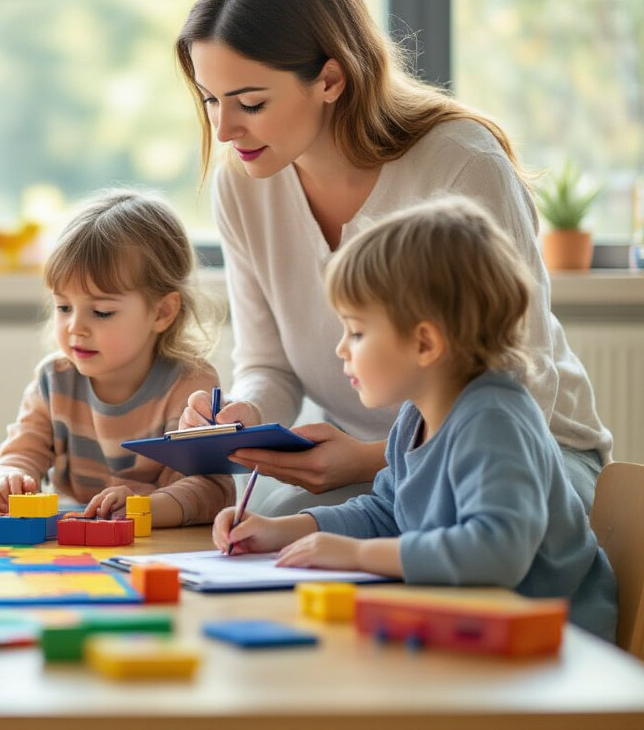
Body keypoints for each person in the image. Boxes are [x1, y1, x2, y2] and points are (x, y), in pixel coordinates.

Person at [174, 0, 611, 515]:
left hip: (518, 456)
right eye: (210, 100)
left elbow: (520, 379)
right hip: (377, 468)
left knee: (409, 540)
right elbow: (269, 366)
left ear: (330, 79)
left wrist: (373, 457)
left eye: (250, 103)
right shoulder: (245, 186)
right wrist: (243, 414)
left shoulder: (461, 165)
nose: (225, 129)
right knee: (263, 537)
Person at [213, 199, 617, 642]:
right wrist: (279, 531)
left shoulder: (495, 421)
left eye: (358, 331)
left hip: (557, 646)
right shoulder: (414, 418)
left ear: (425, 343)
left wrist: (359, 555)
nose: (342, 349)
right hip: (476, 626)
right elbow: (387, 511)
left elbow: (498, 553)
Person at [0, 189, 231, 527]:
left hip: (163, 547)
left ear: (163, 312)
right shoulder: (54, 380)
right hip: (75, 540)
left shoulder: (190, 385)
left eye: (101, 312)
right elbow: (18, 455)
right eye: (64, 307)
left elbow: (212, 490)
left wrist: (146, 508)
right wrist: (5, 478)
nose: (75, 327)